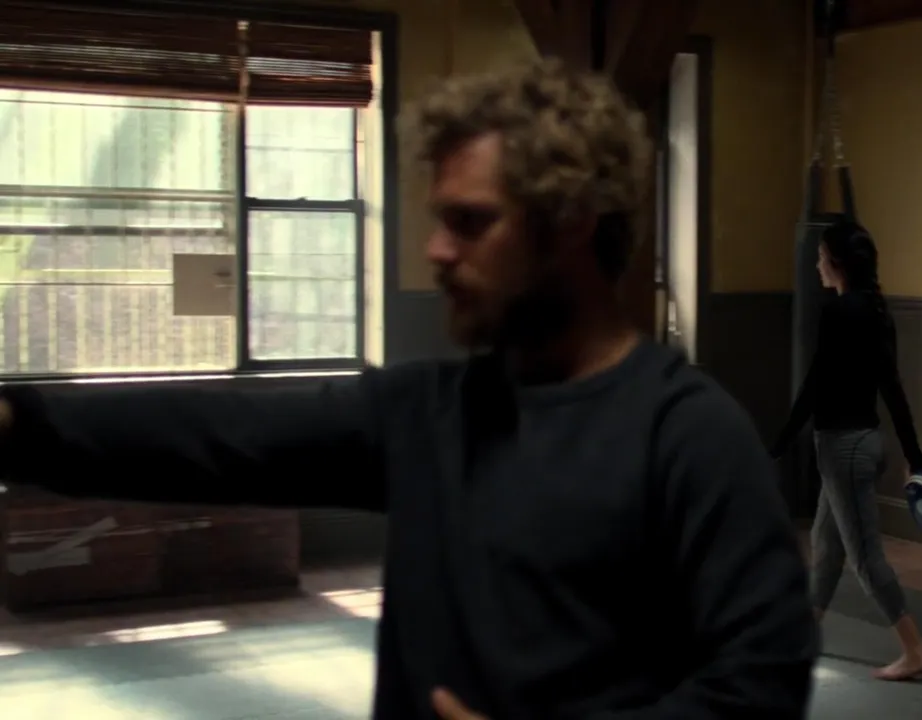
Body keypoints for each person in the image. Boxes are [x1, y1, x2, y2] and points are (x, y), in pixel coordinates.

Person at [0, 60, 818, 719]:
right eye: (439, 220)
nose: (435, 251)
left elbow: (762, 683)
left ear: (571, 222)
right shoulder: (427, 414)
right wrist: (17, 423)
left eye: (470, 222)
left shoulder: (687, 435)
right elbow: (221, 431)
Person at [769, 218, 922, 681]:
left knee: (865, 557)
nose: (817, 265)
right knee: (826, 547)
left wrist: (777, 445)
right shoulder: (877, 311)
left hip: (843, 451)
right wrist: (917, 459)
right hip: (863, 445)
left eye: (822, 257)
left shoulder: (839, 312)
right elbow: (894, 393)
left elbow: (814, 385)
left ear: (838, 264)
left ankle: (915, 649)